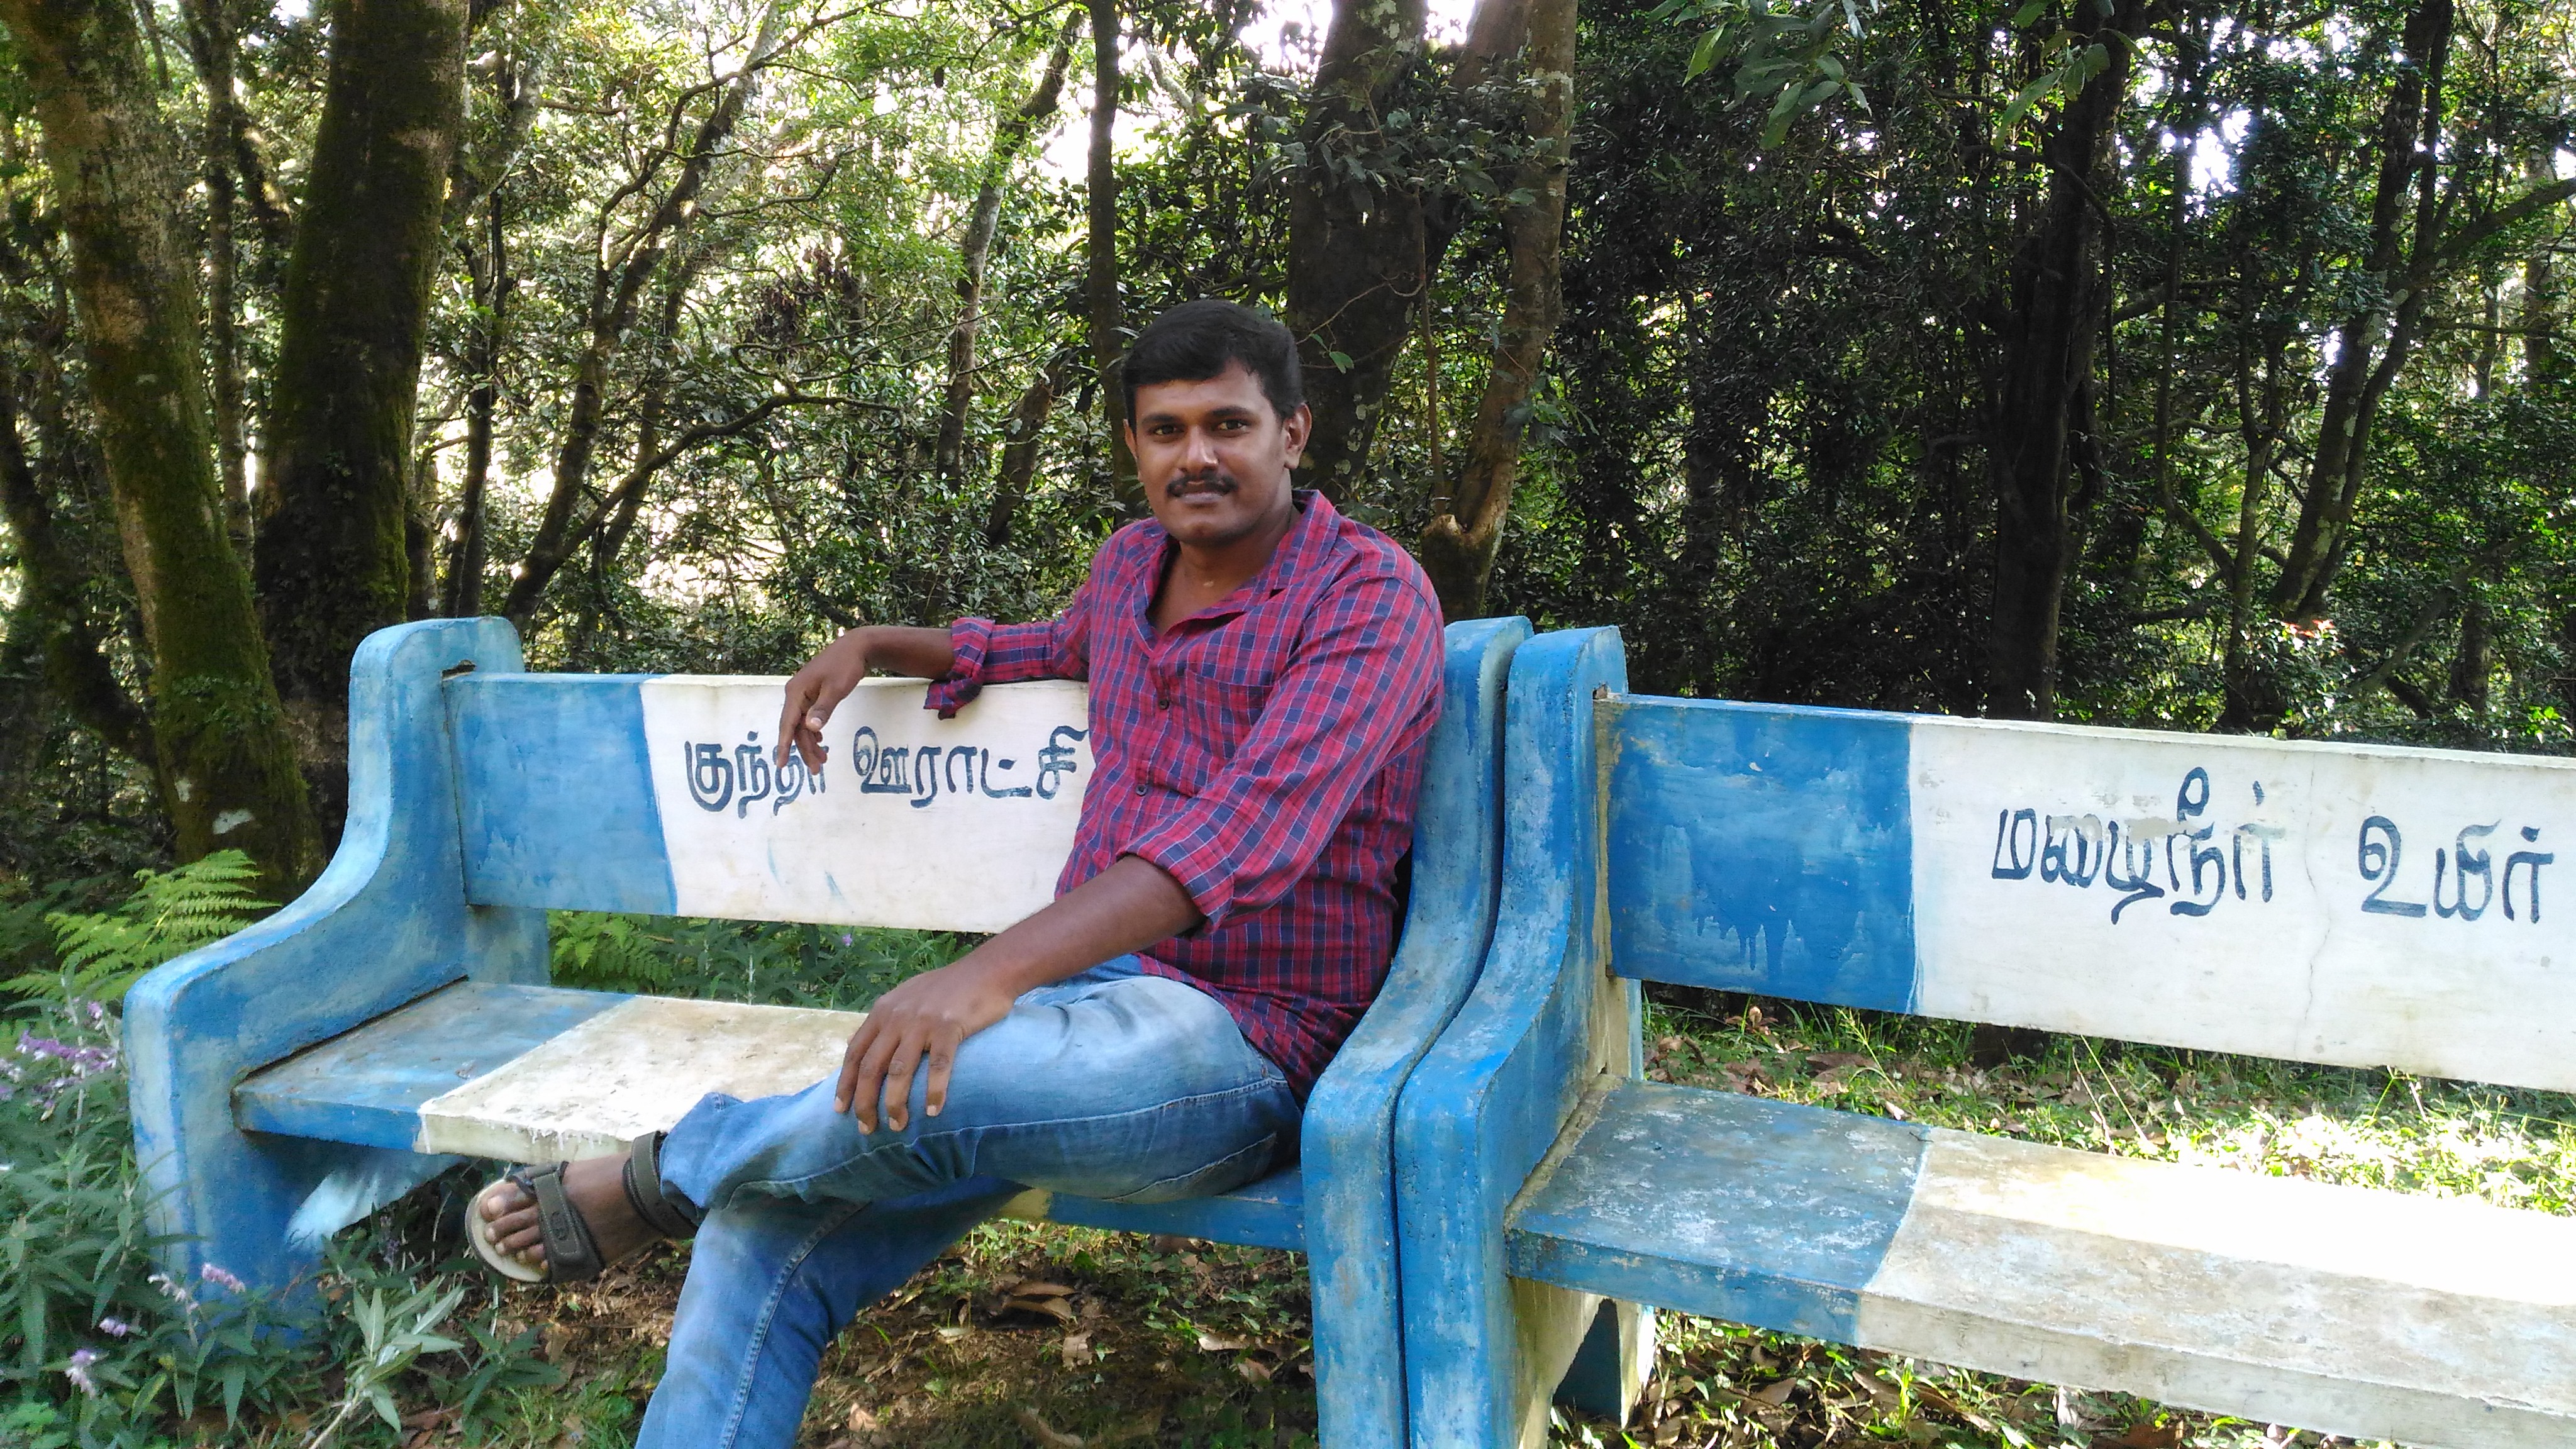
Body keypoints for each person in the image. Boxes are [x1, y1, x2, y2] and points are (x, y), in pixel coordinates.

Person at [467, 299, 1446, 1446]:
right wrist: (877, 644)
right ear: (1134, 446)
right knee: (761, 1220)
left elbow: (1247, 833)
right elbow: (1046, 647)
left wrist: (983, 975)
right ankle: (703, 1209)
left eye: (1228, 425)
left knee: (953, 1078)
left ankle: (660, 1176)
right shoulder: (1133, 566)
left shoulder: (1369, 596)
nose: (1198, 456)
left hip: (1246, 1041)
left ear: (1292, 432)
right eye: (1166, 430)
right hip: (1074, 1005)